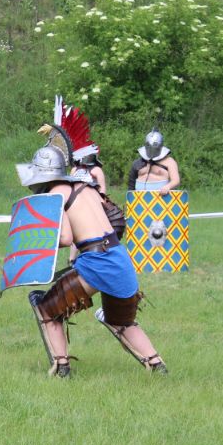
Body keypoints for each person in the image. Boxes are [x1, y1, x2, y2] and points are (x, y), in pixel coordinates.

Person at [17, 138, 168, 378]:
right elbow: (116, 221)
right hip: (119, 257)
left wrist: (37, 237)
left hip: (96, 264)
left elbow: (66, 237)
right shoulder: (86, 186)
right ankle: (158, 366)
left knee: (46, 308)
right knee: (122, 322)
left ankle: (62, 369)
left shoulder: (56, 195)